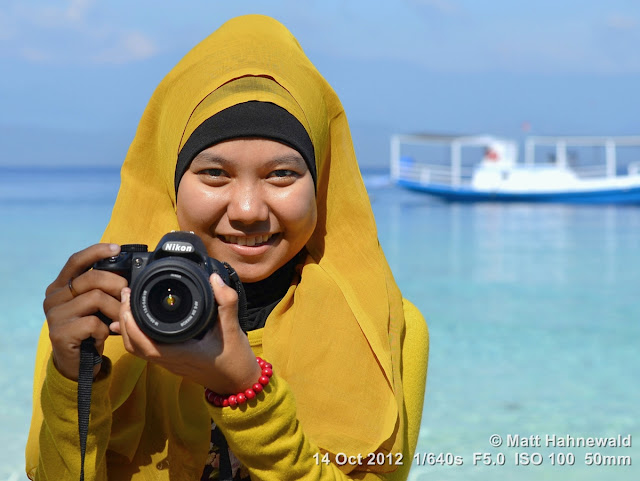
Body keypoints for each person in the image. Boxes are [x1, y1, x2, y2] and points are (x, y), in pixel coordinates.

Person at [26, 14, 429, 481]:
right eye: (214, 173)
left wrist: (244, 388)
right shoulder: (97, 323)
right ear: (169, 184)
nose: (248, 210)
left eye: (282, 174)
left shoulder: (381, 331)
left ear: (321, 187)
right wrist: (75, 379)